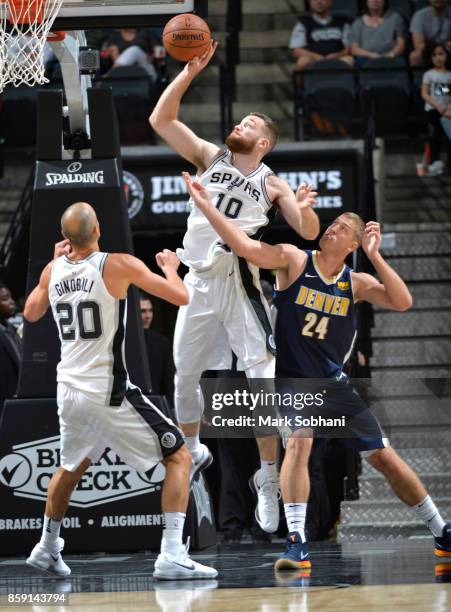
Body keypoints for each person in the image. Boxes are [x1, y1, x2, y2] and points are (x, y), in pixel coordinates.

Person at [182, 172, 451, 570]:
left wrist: (376, 257)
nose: (332, 229)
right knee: (301, 441)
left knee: (384, 458)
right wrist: (206, 207)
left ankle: (441, 532)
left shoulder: (353, 282)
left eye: (342, 228)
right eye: (333, 223)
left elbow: (403, 300)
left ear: (353, 244)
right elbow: (243, 246)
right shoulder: (294, 260)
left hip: (333, 385)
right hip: (291, 381)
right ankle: (296, 541)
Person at [149, 42, 320, 534]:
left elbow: (307, 232)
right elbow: (163, 120)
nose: (240, 126)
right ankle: (194, 447)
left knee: (259, 382)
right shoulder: (210, 156)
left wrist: (305, 207)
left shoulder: (272, 184)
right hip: (200, 282)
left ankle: (267, 477)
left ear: (264, 142)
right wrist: (188, 72)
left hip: (239, 280)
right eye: (240, 122)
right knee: (184, 376)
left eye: (250, 125)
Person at [23, 202, 217, 581]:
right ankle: (173, 554)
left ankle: (46, 546)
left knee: (71, 466)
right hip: (106, 388)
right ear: (97, 230)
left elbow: (31, 312)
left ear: (66, 238)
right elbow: (180, 297)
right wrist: (170, 270)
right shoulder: (117, 263)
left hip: (69, 389)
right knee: (179, 454)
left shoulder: (53, 268)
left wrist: (52, 267)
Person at [289, 0, 354, 73]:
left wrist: (337, 55)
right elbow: (296, 50)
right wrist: (316, 56)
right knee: (302, 61)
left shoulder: (342, 22)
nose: (319, 2)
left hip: (338, 58)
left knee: (349, 60)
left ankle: (349, 84)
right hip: (312, 59)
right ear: (310, 2)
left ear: (330, 2)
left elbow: (350, 48)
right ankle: (299, 85)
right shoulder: (303, 23)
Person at [421, 42, 451, 175]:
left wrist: (448, 108)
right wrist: (438, 106)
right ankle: (434, 162)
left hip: (448, 113)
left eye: (441, 54)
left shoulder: (450, 75)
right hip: (432, 111)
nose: (438, 58)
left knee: (448, 138)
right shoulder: (429, 74)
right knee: (434, 137)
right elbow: (425, 93)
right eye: (434, 55)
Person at [140, 293, 175, 403]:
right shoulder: (122, 341)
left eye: (150, 310)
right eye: (143, 311)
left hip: (157, 404)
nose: (148, 316)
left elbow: (168, 381)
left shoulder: (162, 343)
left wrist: (171, 409)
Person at [349, 0, 406, 66]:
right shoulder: (357, 23)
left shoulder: (396, 18)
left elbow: (401, 44)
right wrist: (373, 56)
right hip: (365, 59)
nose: (375, 1)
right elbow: (354, 49)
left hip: (391, 57)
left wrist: (390, 55)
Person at [0, 283, 22, 410]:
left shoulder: (10, 329)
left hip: (13, 399)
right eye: (5, 299)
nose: (12, 302)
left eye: (10, 297)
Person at [409, 0, 451, 67]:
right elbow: (418, 45)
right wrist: (437, 50)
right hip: (428, 49)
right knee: (415, 56)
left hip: (448, 49)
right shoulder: (419, 15)